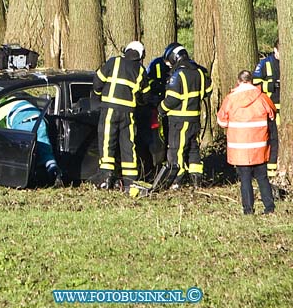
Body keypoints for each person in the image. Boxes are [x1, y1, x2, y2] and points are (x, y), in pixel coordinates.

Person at [217, 70, 277, 215]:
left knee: (245, 179)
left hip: (240, 148)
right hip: (259, 146)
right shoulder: (262, 97)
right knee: (262, 177)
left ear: (238, 81)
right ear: (252, 81)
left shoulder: (230, 99)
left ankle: (248, 210)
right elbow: (272, 114)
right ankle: (269, 207)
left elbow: (221, 121)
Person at [93, 41, 150, 189]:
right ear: (141, 55)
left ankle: (106, 179)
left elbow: (97, 81)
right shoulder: (141, 70)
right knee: (128, 145)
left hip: (109, 110)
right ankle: (130, 182)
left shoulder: (114, 62)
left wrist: (99, 96)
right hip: (128, 114)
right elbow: (145, 97)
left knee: (107, 143)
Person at [158, 43, 212, 189]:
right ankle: (196, 180)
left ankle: (177, 180)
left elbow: (172, 99)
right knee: (193, 149)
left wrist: (160, 109)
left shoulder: (178, 75)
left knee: (177, 150)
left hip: (179, 120)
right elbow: (208, 90)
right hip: (195, 119)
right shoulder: (199, 72)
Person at [6, 99, 62, 187]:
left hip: (22, 125)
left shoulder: (1, 111)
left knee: (24, 155)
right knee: (46, 152)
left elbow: (6, 133)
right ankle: (55, 172)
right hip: (39, 121)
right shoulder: (19, 100)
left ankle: (29, 179)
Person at [253, 39, 281, 181]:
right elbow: (255, 85)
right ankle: (271, 171)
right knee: (273, 140)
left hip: (285, 110)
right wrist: (272, 86)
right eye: (279, 52)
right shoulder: (265, 64)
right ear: (275, 50)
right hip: (271, 109)